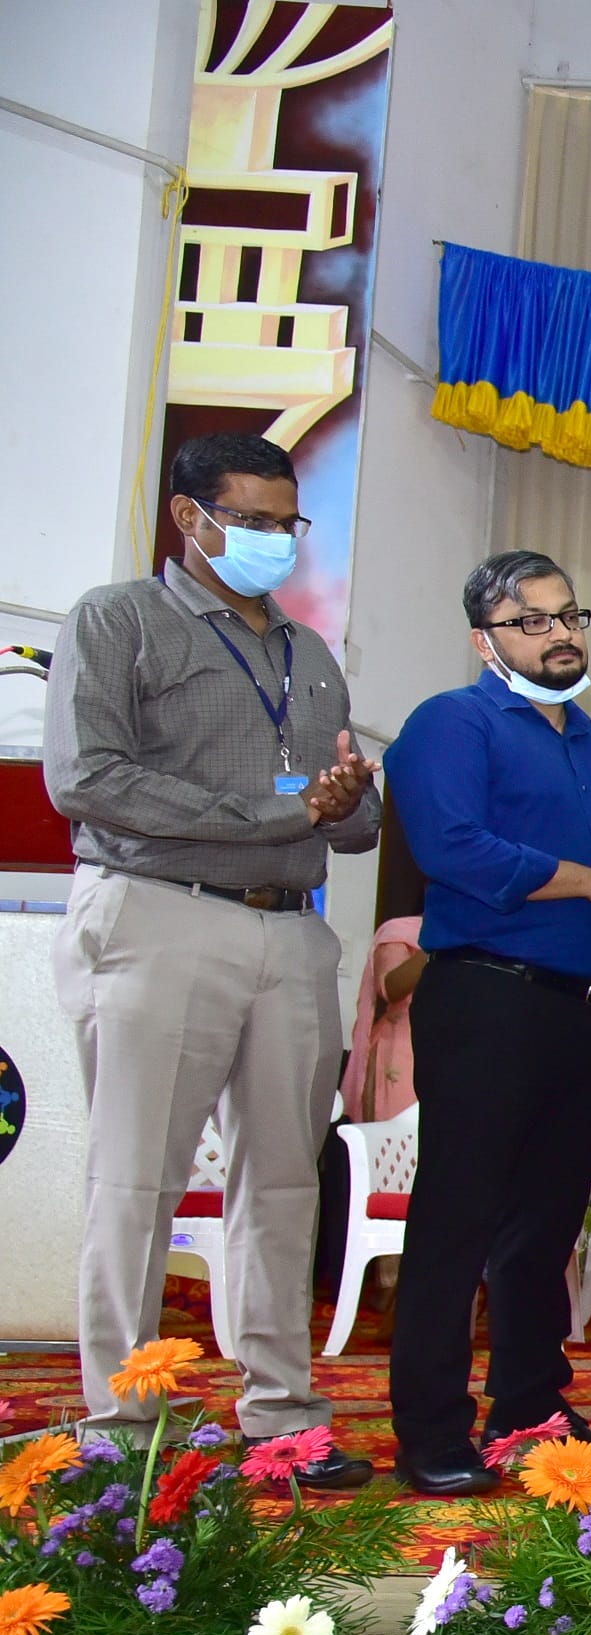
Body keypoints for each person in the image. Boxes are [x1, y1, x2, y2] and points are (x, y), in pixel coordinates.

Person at [43, 431, 378, 1485]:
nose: (278, 539)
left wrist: (344, 800)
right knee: (137, 1180)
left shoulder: (309, 653)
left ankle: (280, 1413)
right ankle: (123, 1423)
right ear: (190, 517)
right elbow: (88, 778)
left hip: (291, 926)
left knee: (283, 1182)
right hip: (159, 915)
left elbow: (354, 827)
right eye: (255, 520)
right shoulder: (117, 620)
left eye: (289, 522)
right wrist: (277, 812)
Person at [380, 551, 591, 1495]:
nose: (560, 634)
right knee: (459, 1217)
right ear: (483, 640)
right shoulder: (451, 722)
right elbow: (453, 848)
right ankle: (431, 1429)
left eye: (569, 615)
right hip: (488, 997)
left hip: (582, 1008)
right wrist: (589, 881)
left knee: (546, 1224)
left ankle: (529, 1406)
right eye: (532, 621)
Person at [339, 913, 424, 1124]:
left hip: (449, 1050)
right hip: (400, 1053)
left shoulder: (477, 937)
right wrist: (434, 943)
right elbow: (389, 987)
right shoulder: (399, 932)